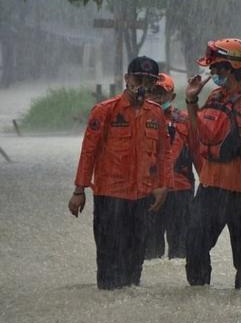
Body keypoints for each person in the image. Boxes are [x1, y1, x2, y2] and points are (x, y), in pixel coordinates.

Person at [68, 56, 171, 290]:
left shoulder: (156, 114)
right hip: (110, 198)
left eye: (149, 81)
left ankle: (131, 319)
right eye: (138, 78)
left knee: (135, 264)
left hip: (141, 198)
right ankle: (106, 317)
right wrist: (79, 190)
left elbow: (163, 153)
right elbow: (88, 152)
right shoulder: (104, 111)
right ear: (127, 78)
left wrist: (163, 185)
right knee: (108, 262)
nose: (142, 85)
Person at [183, 38, 241, 290]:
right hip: (210, 187)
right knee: (195, 244)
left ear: (229, 68)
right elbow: (197, 134)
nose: (212, 73)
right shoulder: (214, 96)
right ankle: (199, 298)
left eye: (215, 68)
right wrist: (191, 101)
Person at [144, 73, 195, 259]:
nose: (156, 96)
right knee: (149, 251)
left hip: (180, 191)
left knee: (180, 249)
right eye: (152, 91)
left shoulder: (185, 120)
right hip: (149, 191)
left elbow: (199, 154)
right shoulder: (139, 118)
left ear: (171, 97)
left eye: (160, 92)